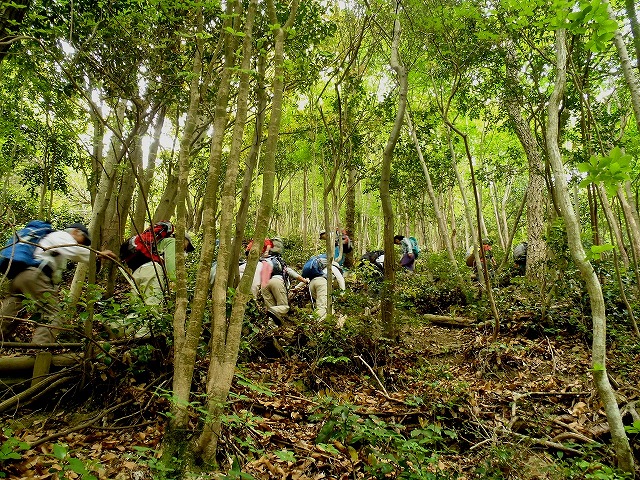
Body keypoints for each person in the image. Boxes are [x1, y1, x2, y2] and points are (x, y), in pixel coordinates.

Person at [0, 222, 116, 343]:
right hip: (35, 275)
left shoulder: (49, 239)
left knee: (10, 314)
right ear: (76, 231)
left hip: (20, 278)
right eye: (83, 240)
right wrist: (97, 254)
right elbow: (73, 251)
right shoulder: (62, 236)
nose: (81, 244)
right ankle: (40, 354)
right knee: (52, 314)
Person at [131, 232, 195, 306]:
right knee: (153, 305)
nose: (186, 249)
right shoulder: (172, 242)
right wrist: (173, 280)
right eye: (187, 245)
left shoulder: (157, 243)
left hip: (137, 272)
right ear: (183, 239)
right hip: (153, 271)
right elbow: (170, 260)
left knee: (135, 306)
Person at [258, 238, 308, 323]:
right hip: (276, 280)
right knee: (284, 307)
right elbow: (294, 274)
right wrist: (305, 281)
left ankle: (272, 328)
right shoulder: (279, 261)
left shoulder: (263, 259)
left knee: (273, 312)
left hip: (264, 284)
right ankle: (265, 311)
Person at [308, 256, 345, 320]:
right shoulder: (333, 267)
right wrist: (343, 293)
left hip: (312, 284)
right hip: (322, 283)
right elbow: (340, 279)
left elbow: (305, 279)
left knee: (322, 303)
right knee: (323, 307)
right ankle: (319, 323)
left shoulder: (319, 270)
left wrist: (297, 287)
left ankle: (324, 318)